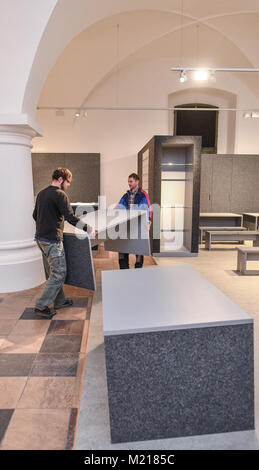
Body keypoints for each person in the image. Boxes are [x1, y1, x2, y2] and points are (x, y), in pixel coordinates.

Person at [33, 167, 94, 319]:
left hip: (40, 239)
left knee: (54, 272)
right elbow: (70, 217)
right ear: (60, 179)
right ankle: (41, 305)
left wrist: (47, 224)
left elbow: (35, 215)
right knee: (59, 273)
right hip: (52, 240)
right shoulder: (60, 195)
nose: (68, 185)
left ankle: (60, 301)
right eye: (68, 182)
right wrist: (88, 229)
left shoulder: (41, 194)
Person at [117, 172, 152, 269]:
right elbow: (119, 207)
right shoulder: (126, 195)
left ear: (137, 182)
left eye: (131, 181)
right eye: (128, 181)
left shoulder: (143, 195)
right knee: (122, 248)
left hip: (139, 225)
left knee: (139, 250)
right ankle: (124, 270)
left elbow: (149, 208)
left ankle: (138, 271)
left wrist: (149, 220)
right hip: (127, 225)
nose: (129, 183)